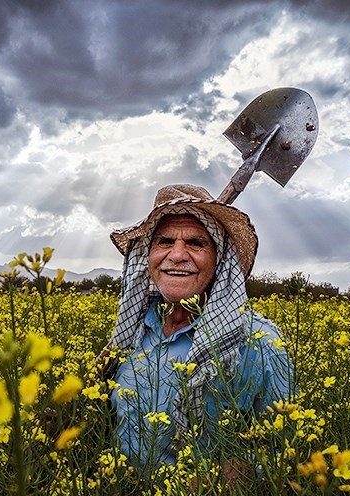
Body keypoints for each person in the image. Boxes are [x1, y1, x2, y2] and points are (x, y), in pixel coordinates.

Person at [99, 183, 296, 473]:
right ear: (147, 254)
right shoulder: (130, 334)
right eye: (164, 241)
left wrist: (232, 478)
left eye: (196, 243)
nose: (177, 255)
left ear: (219, 261)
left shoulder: (260, 343)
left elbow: (285, 450)